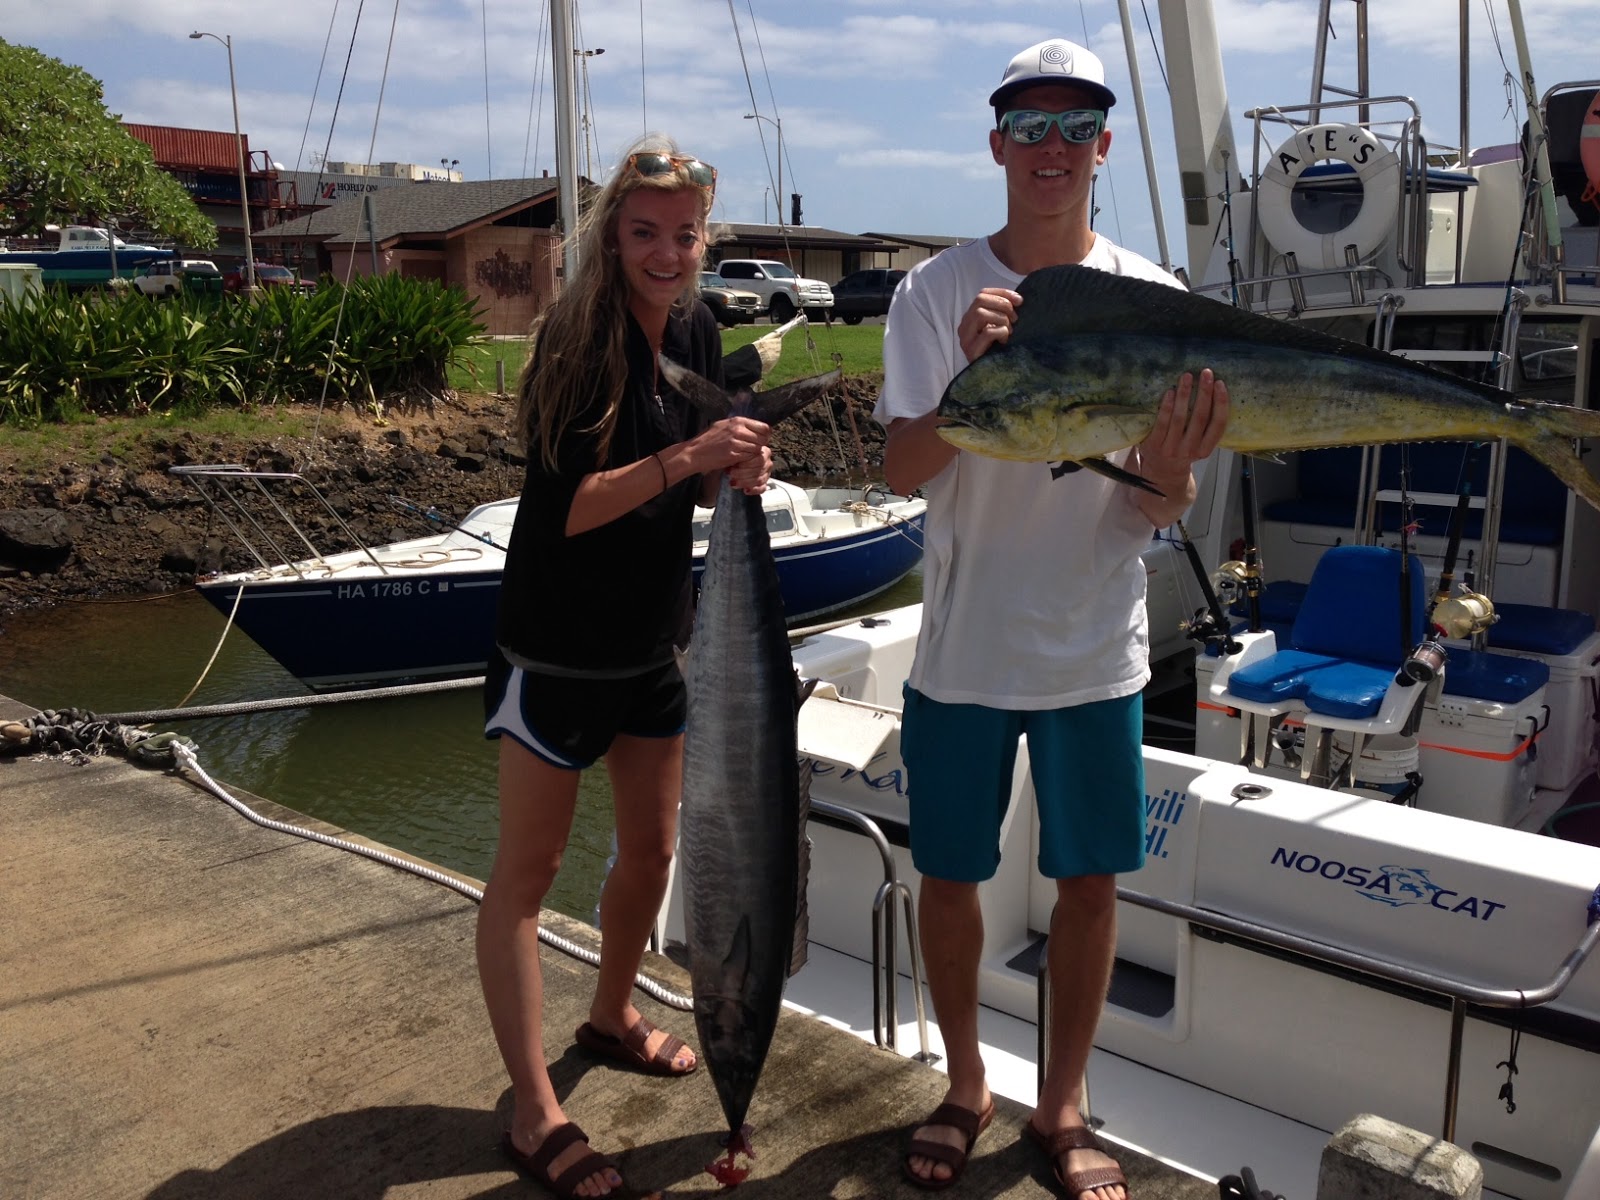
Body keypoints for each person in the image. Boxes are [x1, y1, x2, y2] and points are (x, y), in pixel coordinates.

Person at [878, 39, 1230, 1200]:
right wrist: (969, 373)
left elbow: (1155, 500)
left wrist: (1173, 474)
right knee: (949, 877)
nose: (1051, 148)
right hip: (962, 649)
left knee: (1090, 885)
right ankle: (966, 1083)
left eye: (1074, 126)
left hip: (1094, 646)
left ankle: (1062, 1102)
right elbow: (898, 467)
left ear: (1103, 147)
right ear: (994, 146)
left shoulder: (1154, 297)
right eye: (1027, 126)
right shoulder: (933, 291)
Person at [477, 135, 772, 1200]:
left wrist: (727, 467)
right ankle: (532, 1106)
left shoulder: (691, 325)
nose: (666, 252)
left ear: (703, 240)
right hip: (553, 650)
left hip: (652, 645)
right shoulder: (577, 341)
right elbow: (570, 510)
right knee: (527, 874)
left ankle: (608, 1014)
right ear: (613, 236)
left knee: (651, 856)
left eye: (684, 234)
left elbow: (679, 494)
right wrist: (691, 456)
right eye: (644, 232)